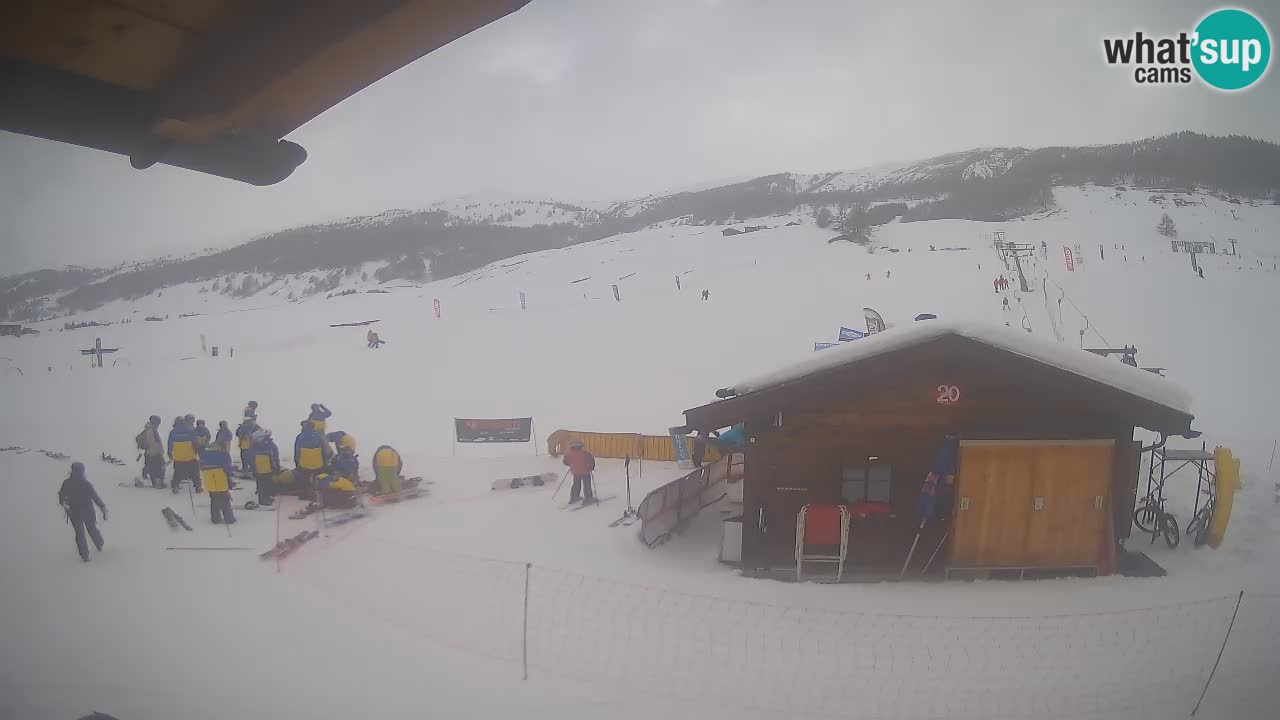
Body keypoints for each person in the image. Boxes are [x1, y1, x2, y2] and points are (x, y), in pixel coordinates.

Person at [58, 462, 107, 562]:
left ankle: (96, 546)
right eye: (77, 470)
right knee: (83, 532)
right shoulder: (70, 483)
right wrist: (65, 505)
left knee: (88, 530)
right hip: (77, 511)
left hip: (84, 510)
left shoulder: (82, 483)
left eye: (80, 470)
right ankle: (88, 552)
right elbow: (62, 497)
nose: (79, 472)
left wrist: (102, 506)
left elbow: (94, 496)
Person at [198, 441, 236, 524]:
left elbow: (200, 466)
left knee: (214, 497)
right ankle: (229, 518)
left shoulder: (204, 454)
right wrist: (229, 475)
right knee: (224, 498)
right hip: (220, 475)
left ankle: (215, 518)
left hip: (208, 476)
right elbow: (227, 466)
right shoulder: (222, 454)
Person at [294, 420, 331, 497]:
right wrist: (325, 463)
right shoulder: (319, 436)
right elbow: (324, 451)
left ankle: (306, 493)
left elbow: (297, 451)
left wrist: (297, 463)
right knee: (317, 476)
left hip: (304, 465)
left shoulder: (300, 436)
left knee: (304, 477)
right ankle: (317, 492)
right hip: (318, 464)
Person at [167, 416, 202, 494]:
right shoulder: (190, 431)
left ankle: (175, 486)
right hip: (190, 455)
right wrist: (198, 451)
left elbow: (170, 444)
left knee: (177, 472)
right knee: (194, 472)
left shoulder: (173, 432)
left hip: (178, 456)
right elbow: (195, 443)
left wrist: (169, 453)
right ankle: (198, 487)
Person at [250, 429, 280, 507]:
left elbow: (251, 459)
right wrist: (276, 466)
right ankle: (263, 500)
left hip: (262, 468)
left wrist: (253, 469)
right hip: (265, 468)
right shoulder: (268, 444)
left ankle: (265, 498)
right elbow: (274, 456)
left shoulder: (254, 446)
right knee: (264, 484)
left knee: (263, 484)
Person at [136, 415, 165, 488]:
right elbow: (151, 442)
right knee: (158, 468)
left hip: (151, 453)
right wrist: (159, 450)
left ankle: (156, 481)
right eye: (158, 422)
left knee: (153, 467)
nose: (159, 424)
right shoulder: (150, 430)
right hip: (153, 453)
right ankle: (157, 483)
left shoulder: (151, 429)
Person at [563, 440, 596, 504]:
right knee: (587, 485)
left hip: (575, 472)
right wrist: (591, 467)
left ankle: (574, 497)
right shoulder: (585, 453)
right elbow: (591, 461)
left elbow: (565, 462)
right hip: (585, 472)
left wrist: (572, 464)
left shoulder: (569, 453)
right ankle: (588, 498)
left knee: (576, 484)